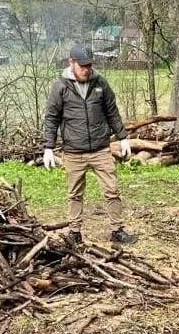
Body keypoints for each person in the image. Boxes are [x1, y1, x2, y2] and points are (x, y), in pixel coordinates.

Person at [42, 45, 138, 245]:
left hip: (100, 149)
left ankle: (117, 230)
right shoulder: (60, 87)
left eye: (89, 65)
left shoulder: (100, 83)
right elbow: (51, 118)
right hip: (73, 151)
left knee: (112, 190)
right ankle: (74, 232)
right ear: (72, 62)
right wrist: (48, 147)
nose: (86, 69)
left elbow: (112, 111)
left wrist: (122, 137)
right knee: (74, 194)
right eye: (82, 65)